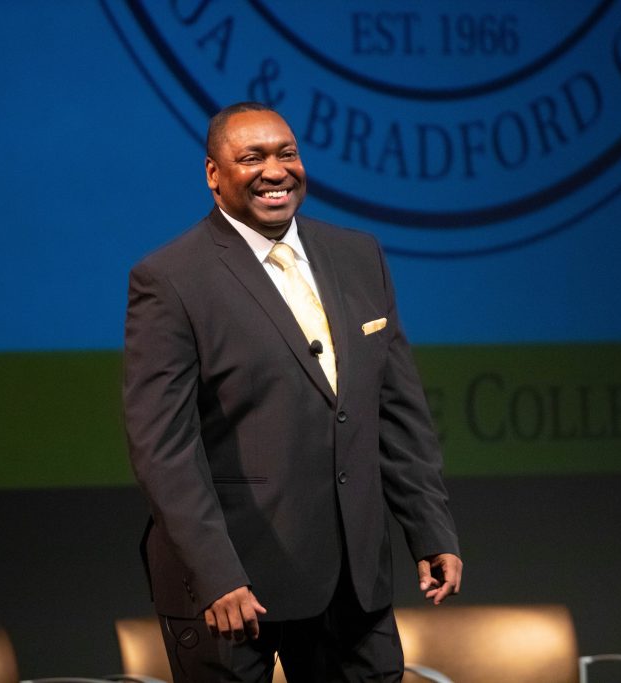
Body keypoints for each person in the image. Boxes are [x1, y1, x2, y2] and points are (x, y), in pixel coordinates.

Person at [122, 101, 462, 682]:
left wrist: (429, 528)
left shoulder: (359, 256)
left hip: (352, 580)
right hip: (234, 586)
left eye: (287, 154)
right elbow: (164, 450)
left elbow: (396, 411)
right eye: (251, 158)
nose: (275, 171)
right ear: (213, 175)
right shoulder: (170, 279)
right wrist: (216, 573)